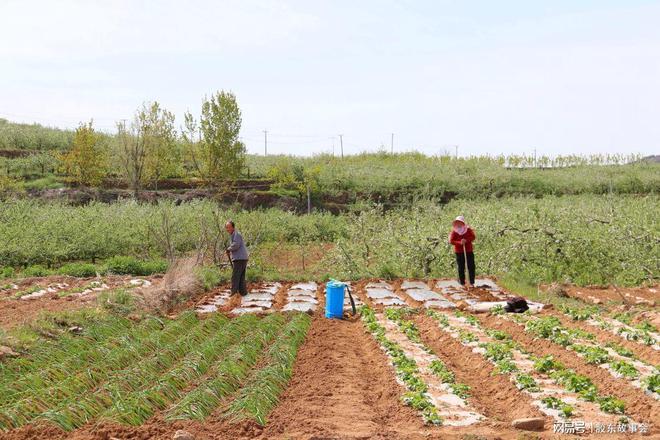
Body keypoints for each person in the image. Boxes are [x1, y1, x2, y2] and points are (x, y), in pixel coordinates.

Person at [448, 215, 476, 288]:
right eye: (457, 222)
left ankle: (471, 282)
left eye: (460, 222)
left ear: (463, 223)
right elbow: (451, 241)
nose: (458, 224)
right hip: (459, 251)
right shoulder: (454, 231)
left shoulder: (468, 229)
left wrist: (466, 240)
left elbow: (473, 237)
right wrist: (459, 242)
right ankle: (462, 283)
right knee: (461, 267)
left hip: (469, 250)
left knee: (471, 266)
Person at [225, 220, 249, 296]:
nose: (227, 229)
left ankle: (234, 293)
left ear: (233, 227)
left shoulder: (237, 234)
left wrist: (229, 249)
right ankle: (243, 293)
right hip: (241, 258)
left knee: (235, 277)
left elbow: (236, 245)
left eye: (229, 227)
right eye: (226, 227)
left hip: (240, 258)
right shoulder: (233, 235)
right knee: (241, 277)